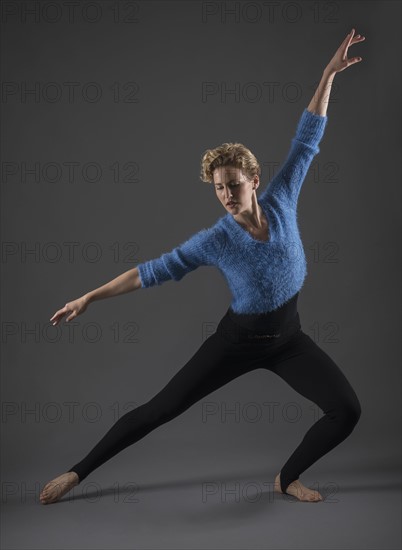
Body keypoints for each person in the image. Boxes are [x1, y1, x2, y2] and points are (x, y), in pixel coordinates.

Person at [40, 29, 365, 505]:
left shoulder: (283, 197)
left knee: (346, 410)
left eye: (233, 184)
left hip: (289, 340)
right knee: (159, 410)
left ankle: (286, 478)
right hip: (235, 343)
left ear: (254, 181)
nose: (226, 195)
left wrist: (326, 76)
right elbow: (151, 270)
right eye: (218, 188)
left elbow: (308, 136)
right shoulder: (215, 239)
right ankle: (76, 472)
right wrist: (88, 297)